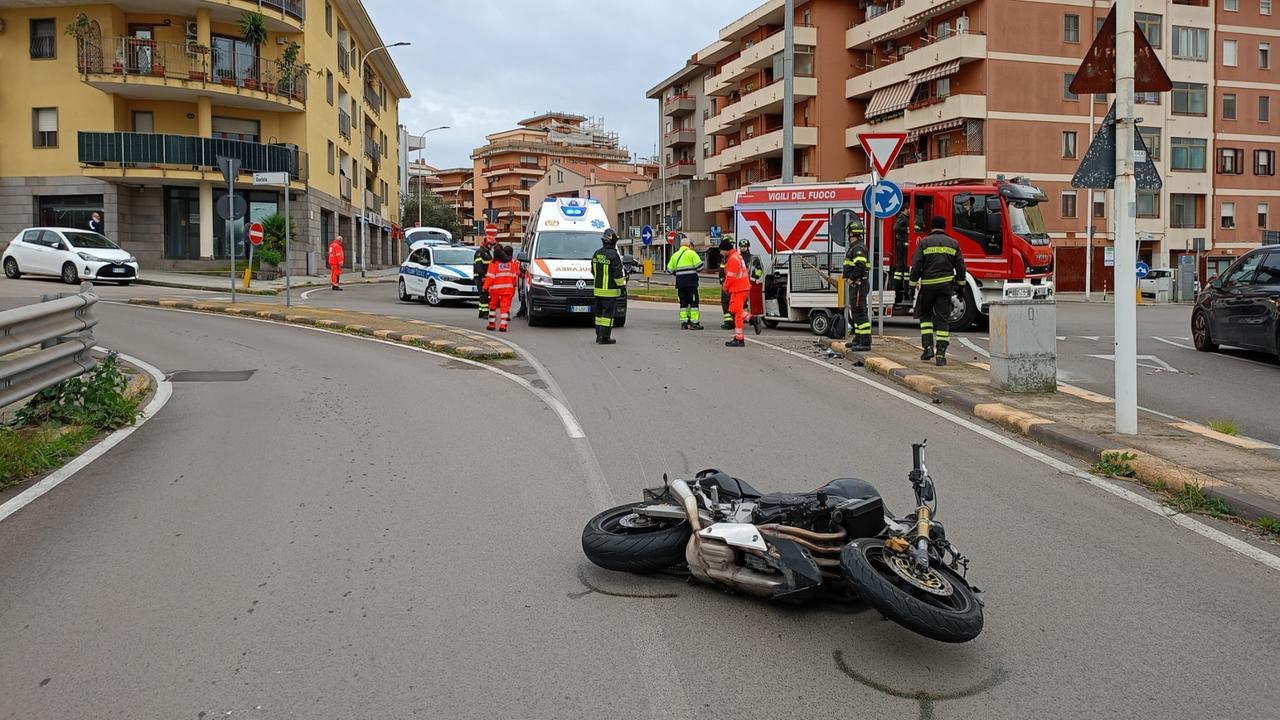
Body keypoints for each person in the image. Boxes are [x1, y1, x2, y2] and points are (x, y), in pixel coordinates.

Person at [910, 215, 966, 366]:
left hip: (927, 286)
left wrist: (911, 285)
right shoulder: (954, 243)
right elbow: (961, 268)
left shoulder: (925, 243)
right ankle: (941, 354)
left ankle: (928, 348)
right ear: (944, 226)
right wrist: (961, 286)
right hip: (945, 287)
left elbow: (916, 265)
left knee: (925, 316)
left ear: (931, 226)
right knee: (943, 319)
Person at [722, 238, 763, 347]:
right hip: (742, 287)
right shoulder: (737, 256)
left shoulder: (733, 259)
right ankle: (752, 319)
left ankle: (739, 338)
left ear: (725, 250)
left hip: (738, 288)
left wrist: (725, 287)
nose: (721, 252)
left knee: (737, 313)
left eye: (721, 250)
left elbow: (730, 276)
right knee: (735, 310)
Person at [592, 229, 626, 345]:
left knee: (599, 315)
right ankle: (605, 337)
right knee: (607, 316)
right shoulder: (613, 255)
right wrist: (622, 288)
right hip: (610, 292)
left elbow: (593, 271)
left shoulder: (597, 253)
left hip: (597, 291)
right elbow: (617, 274)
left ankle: (598, 335)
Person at [842, 224, 872, 351]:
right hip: (857, 285)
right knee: (855, 312)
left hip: (859, 284)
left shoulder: (858, 248)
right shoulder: (855, 247)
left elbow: (860, 266)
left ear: (851, 233)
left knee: (859, 312)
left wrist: (851, 278)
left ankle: (865, 342)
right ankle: (858, 338)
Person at [666, 234, 705, 330]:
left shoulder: (675, 255)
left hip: (680, 284)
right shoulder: (692, 253)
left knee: (683, 303)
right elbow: (700, 267)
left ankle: (684, 322)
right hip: (691, 283)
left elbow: (669, 270)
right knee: (694, 303)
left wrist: (678, 273)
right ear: (688, 245)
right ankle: (694, 322)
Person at [483, 245, 519, 332]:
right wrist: (513, 285)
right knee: (505, 307)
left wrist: (485, 287)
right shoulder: (510, 263)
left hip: (495, 289)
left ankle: (491, 324)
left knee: (492, 306)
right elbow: (514, 276)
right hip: (507, 288)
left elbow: (490, 277)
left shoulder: (494, 263)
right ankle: (503, 325)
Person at [474, 236, 496, 320]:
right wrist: (483, 276)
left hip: (485, 277)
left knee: (484, 295)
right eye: (491, 244)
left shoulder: (486, 252)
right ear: (487, 244)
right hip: (480, 277)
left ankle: (481, 312)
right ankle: (485, 313)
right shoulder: (480, 252)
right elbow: (479, 265)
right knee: (484, 295)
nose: (491, 246)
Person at [892, 209, 911, 305]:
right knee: (902, 268)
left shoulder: (906, 218)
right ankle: (899, 290)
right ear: (905, 209)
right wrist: (907, 229)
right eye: (909, 209)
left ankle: (903, 291)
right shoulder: (902, 218)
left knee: (905, 269)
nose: (911, 211)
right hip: (902, 245)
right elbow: (895, 227)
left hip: (904, 244)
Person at [717, 237, 735, 328]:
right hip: (730, 284)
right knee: (729, 303)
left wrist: (724, 284)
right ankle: (731, 321)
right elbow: (722, 271)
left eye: (721, 250)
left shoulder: (731, 258)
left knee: (726, 302)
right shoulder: (728, 258)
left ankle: (730, 322)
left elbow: (729, 274)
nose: (720, 253)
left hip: (729, 285)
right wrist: (721, 280)